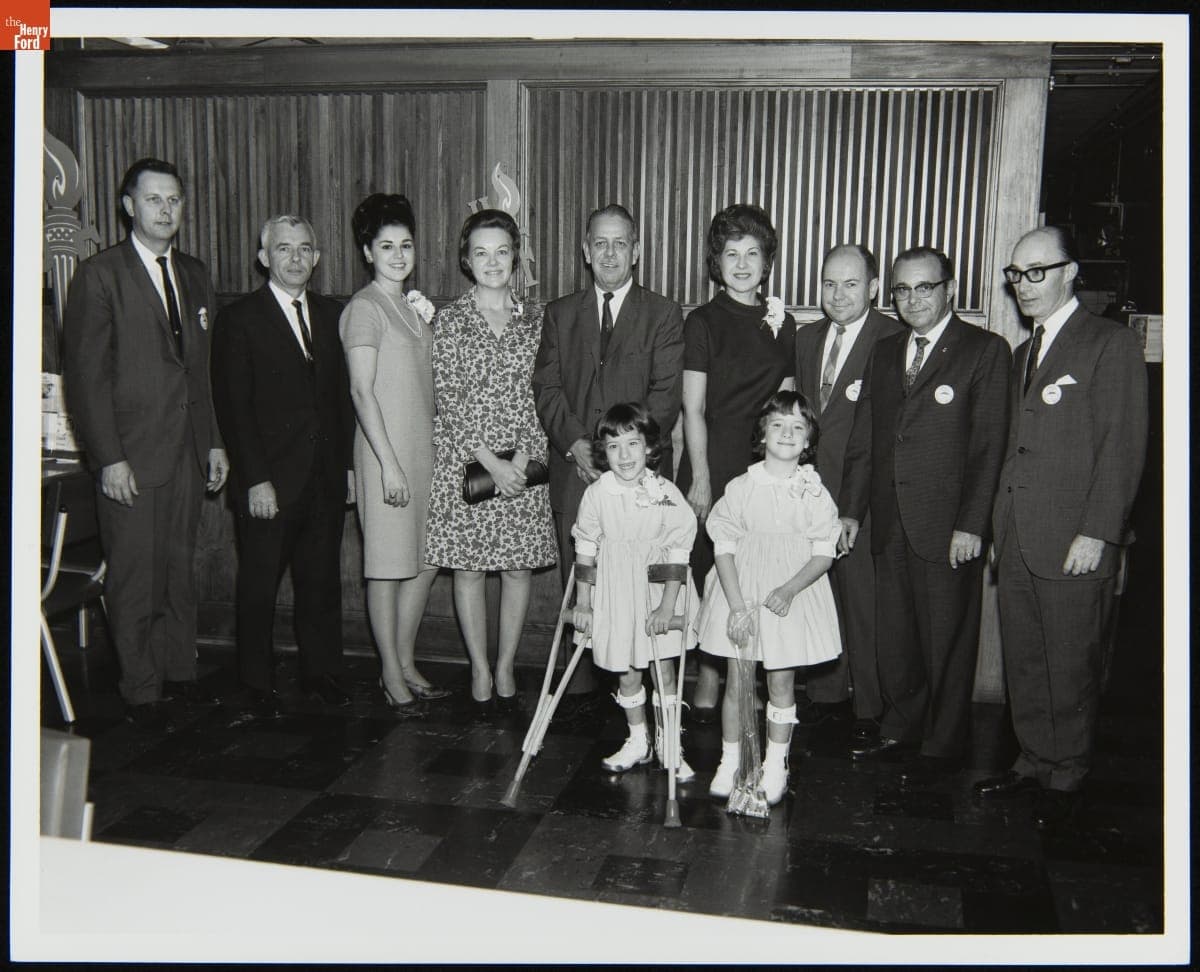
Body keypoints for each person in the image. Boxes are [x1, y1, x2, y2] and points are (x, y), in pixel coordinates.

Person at [978, 226, 1148, 828]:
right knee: (1026, 656)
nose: (1023, 285)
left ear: (1070, 271)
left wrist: (1098, 532)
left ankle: (1068, 770)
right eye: (1016, 273)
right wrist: (999, 526)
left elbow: (1122, 448)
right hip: (1021, 533)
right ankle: (1033, 759)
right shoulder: (1024, 353)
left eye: (1037, 271)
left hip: (1076, 536)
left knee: (1072, 659)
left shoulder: (1110, 344)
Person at [63, 158, 229, 732]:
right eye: (154, 199)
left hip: (185, 451)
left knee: (179, 568)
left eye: (174, 200)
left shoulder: (195, 272)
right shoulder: (100, 275)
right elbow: (86, 380)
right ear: (128, 206)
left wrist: (213, 444)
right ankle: (140, 689)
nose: (166, 210)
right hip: (130, 455)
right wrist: (108, 458)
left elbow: (200, 373)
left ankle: (178, 673)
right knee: (135, 574)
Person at [839, 246, 1010, 786]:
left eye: (925, 288)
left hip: (947, 525)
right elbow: (866, 438)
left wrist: (972, 523)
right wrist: (851, 510)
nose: (913, 299)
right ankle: (902, 726)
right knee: (897, 635)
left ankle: (944, 742)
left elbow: (989, 447)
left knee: (947, 639)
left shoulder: (984, 351)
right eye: (902, 290)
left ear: (950, 290)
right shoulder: (886, 352)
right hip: (889, 521)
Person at [533, 203, 685, 699]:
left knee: (637, 577)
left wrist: (623, 455)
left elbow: (665, 394)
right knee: (582, 569)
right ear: (585, 250)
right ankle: (578, 679)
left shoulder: (662, 313)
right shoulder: (558, 313)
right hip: (574, 468)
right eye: (601, 243)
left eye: (621, 243)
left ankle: (637, 681)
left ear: (636, 250)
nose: (611, 253)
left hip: (637, 475)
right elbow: (547, 387)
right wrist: (578, 444)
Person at [211, 214, 354, 718]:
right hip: (269, 480)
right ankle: (255, 682)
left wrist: (348, 469)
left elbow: (341, 400)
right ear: (264, 257)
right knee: (259, 581)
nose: (295, 258)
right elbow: (234, 407)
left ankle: (322, 673)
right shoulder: (240, 319)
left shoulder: (334, 314)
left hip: (324, 476)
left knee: (321, 581)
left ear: (316, 257)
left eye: (304, 249)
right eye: (284, 249)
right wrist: (255, 479)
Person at [425, 209, 557, 712]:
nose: (493, 261)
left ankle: (506, 665)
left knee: (519, 570)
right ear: (466, 259)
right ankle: (479, 665)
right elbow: (450, 399)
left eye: (502, 250)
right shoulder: (451, 321)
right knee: (471, 571)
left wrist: (519, 460)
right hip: (468, 463)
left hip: (525, 461)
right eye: (481, 251)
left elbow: (542, 393)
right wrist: (491, 463)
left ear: (516, 256)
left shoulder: (537, 319)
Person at [677, 203, 797, 722]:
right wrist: (701, 478)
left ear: (766, 262)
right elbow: (692, 407)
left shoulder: (783, 322)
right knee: (709, 570)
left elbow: (788, 408)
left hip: (762, 467)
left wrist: (785, 475)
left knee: (751, 573)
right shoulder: (702, 321)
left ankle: (740, 679)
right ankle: (708, 676)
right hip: (714, 458)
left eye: (753, 253)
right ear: (716, 262)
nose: (743, 264)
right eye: (732, 253)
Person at [696, 392, 842, 806]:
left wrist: (789, 589)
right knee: (738, 681)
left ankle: (775, 764)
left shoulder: (814, 491)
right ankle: (730, 761)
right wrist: (738, 604)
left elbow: (824, 552)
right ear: (762, 433)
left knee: (781, 682)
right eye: (778, 424)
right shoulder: (741, 487)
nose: (787, 433)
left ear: (809, 439)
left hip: (788, 596)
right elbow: (722, 547)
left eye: (798, 427)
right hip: (739, 591)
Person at [340, 193, 447, 714]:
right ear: (367, 251)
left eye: (405, 245)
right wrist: (387, 465)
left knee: (424, 564)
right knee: (386, 567)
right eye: (387, 246)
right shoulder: (364, 308)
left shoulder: (409, 306)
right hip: (388, 455)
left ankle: (405, 660)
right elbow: (362, 392)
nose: (399, 255)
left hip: (424, 452)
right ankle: (388, 670)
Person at [794, 244, 903, 742]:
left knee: (862, 603)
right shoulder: (806, 337)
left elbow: (879, 439)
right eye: (829, 283)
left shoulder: (894, 339)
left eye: (851, 284)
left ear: (874, 287)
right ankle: (827, 695)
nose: (838, 295)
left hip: (860, 499)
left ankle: (869, 706)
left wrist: (854, 507)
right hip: (810, 495)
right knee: (819, 597)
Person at [571, 403, 699, 778]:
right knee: (625, 669)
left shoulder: (664, 492)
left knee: (663, 670)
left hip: (658, 590)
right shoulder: (597, 493)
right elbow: (586, 548)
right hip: (615, 592)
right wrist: (584, 603)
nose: (623, 455)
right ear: (603, 451)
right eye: (613, 447)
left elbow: (678, 550)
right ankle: (637, 738)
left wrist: (667, 606)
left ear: (648, 448)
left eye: (632, 444)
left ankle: (669, 741)